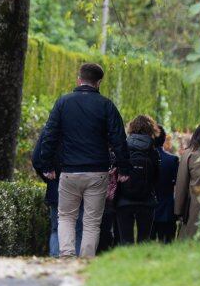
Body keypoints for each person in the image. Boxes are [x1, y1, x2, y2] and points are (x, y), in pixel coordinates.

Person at [33, 62, 130, 258]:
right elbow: (119, 139)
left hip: (69, 172)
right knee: (92, 221)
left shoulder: (63, 103)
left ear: (79, 79)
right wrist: (124, 169)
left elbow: (49, 135)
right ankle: (86, 260)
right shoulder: (106, 105)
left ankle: (67, 256)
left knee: (66, 217)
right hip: (97, 172)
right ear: (99, 82)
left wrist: (47, 165)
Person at [31, 136, 83, 256]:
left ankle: (55, 259)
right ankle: (77, 262)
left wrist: (47, 174)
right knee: (78, 228)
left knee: (56, 228)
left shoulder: (50, 129)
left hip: (56, 186)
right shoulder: (80, 125)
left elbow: (36, 159)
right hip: (77, 184)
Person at [115, 114, 161, 245]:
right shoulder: (153, 151)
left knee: (125, 240)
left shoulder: (123, 147)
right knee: (144, 240)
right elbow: (156, 178)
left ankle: (126, 264)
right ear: (151, 130)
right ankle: (141, 264)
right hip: (146, 201)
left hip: (123, 201)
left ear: (131, 127)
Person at [152, 123, 179, 243]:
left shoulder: (141, 160)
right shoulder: (172, 160)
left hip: (148, 209)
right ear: (164, 140)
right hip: (167, 209)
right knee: (168, 244)